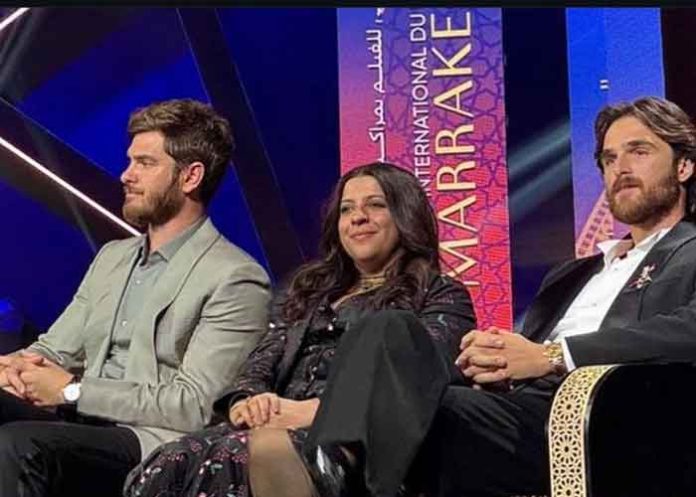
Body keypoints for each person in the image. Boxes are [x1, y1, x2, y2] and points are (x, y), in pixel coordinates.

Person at [306, 96, 696, 497]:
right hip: (519, 410)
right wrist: (495, 360)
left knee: (417, 416)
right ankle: (335, 458)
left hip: (606, 418)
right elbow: (521, 359)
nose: (621, 168)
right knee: (389, 327)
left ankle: (330, 469)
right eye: (610, 159)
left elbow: (688, 331)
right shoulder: (571, 274)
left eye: (639, 151)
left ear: (684, 166)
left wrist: (553, 355)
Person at [123, 162, 476, 497]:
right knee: (174, 459)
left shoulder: (441, 293)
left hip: (358, 441)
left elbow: (421, 376)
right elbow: (260, 362)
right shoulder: (307, 291)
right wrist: (247, 403)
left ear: (405, 215)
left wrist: (316, 412)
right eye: (347, 210)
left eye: (376, 205)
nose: (358, 218)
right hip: (275, 420)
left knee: (239, 455)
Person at [0, 98, 270, 497]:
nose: (126, 175)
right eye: (129, 162)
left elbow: (194, 404)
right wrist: (13, 367)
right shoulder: (113, 257)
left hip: (147, 441)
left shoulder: (236, 278)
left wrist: (73, 391)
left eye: (145, 163)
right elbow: (56, 350)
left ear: (190, 176)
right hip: (77, 422)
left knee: (19, 446)